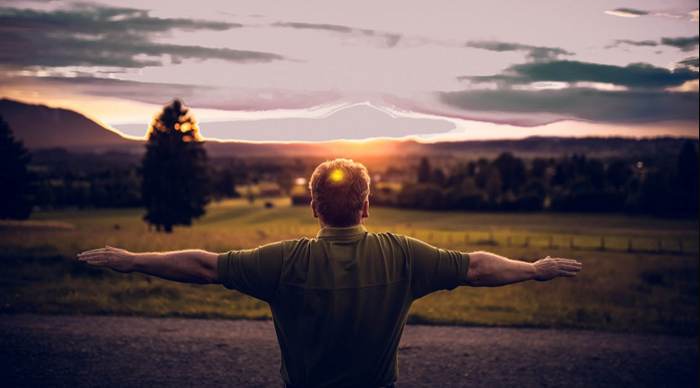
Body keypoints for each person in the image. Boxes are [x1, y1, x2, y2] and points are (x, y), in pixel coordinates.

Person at [78, 158, 582, 388]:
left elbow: (204, 265)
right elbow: (477, 267)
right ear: (367, 206)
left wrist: (132, 260)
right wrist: (534, 269)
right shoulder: (403, 255)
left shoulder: (284, 260)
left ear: (314, 207)